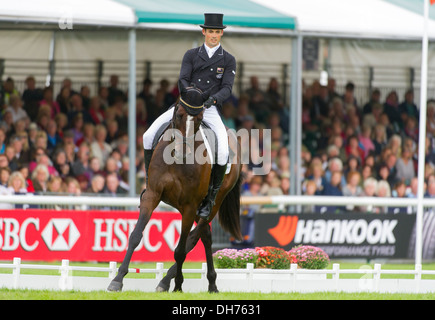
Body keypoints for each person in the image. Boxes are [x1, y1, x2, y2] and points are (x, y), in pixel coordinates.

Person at [142, 13, 236, 221]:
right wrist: (191, 96)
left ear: (221, 33)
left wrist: (210, 100)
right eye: (210, 31)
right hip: (185, 105)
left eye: (217, 31)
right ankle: (150, 185)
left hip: (209, 108)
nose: (213, 35)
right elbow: (183, 80)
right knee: (148, 136)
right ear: (204, 31)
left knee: (222, 154)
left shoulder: (228, 60)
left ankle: (210, 198)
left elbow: (227, 88)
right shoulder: (191, 54)